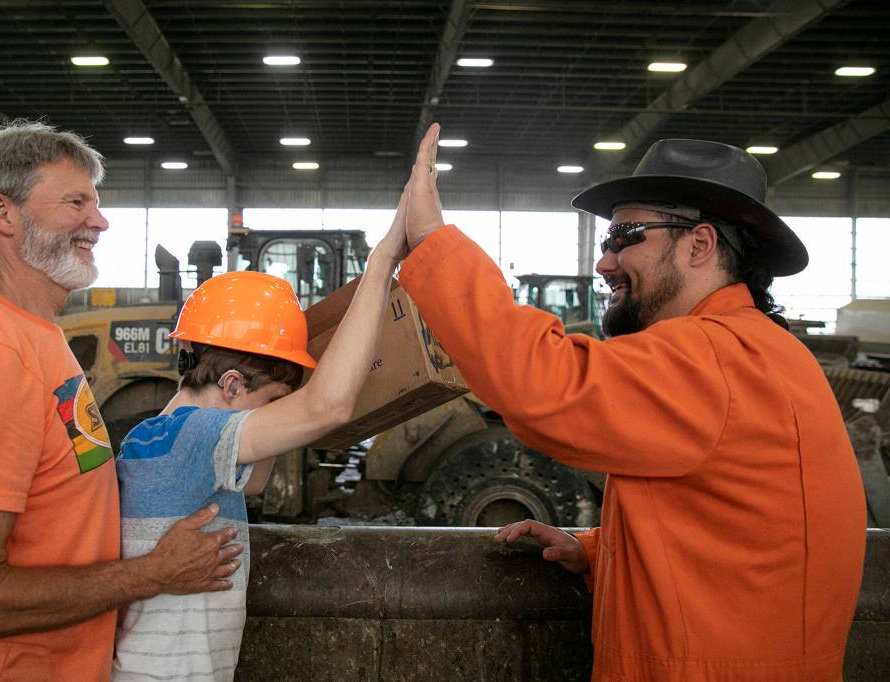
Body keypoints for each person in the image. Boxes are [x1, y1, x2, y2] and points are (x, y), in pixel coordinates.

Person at [398, 124, 867, 680]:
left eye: (625, 235)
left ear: (700, 244)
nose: (605, 261)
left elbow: (544, 386)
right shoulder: (758, 351)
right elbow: (737, 538)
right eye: (606, 241)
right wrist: (601, 554)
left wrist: (432, 242)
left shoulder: (712, 356)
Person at [0, 121, 242, 681]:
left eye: (98, 201)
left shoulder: (37, 335)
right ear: (2, 212)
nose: (100, 220)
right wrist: (152, 574)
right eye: (75, 201)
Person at [112, 193, 407, 681]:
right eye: (273, 403)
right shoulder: (196, 438)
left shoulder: (157, 439)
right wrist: (382, 263)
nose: (277, 417)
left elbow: (255, 483)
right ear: (231, 385)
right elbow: (327, 406)